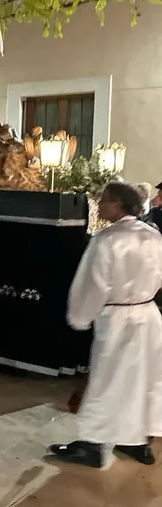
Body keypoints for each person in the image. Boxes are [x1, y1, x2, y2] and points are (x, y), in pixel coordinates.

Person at [48, 182, 162, 469]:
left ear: (118, 205)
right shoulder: (154, 235)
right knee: (142, 380)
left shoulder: (107, 239)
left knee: (107, 381)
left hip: (118, 319)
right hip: (148, 315)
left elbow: (94, 285)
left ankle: (92, 446)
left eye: (104, 200)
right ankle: (136, 441)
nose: (99, 204)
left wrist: (79, 317)